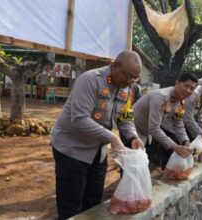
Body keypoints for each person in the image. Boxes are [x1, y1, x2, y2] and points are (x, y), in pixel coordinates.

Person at [50, 50, 144, 220]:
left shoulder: (128, 88)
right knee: (71, 206)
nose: (130, 81)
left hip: (97, 152)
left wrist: (132, 137)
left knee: (93, 203)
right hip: (72, 149)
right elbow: (79, 119)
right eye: (127, 75)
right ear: (115, 66)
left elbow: (126, 118)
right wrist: (112, 137)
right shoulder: (90, 80)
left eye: (135, 78)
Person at [133, 73, 198, 169]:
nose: (188, 90)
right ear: (177, 83)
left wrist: (186, 142)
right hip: (133, 128)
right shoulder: (161, 97)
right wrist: (175, 147)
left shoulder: (181, 102)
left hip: (146, 132)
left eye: (192, 88)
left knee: (141, 164)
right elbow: (154, 128)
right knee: (133, 164)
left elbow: (178, 124)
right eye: (186, 86)